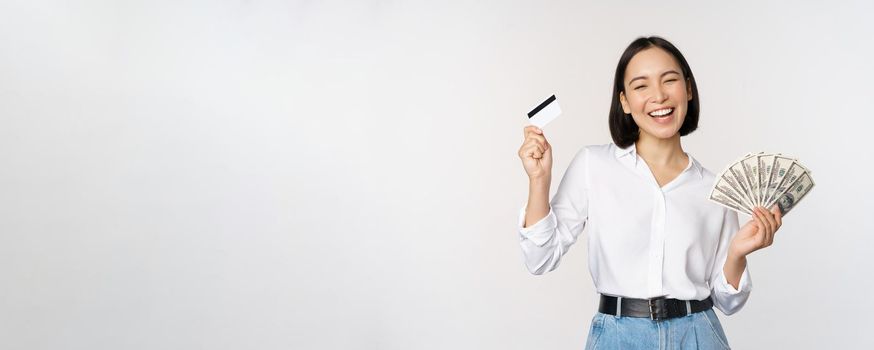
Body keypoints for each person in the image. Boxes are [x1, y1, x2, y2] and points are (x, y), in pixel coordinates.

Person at [516, 36, 783, 349]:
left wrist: (737, 252)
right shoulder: (593, 164)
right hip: (618, 337)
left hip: (698, 335)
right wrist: (539, 180)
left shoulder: (715, 189)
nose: (658, 95)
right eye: (641, 86)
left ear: (688, 89)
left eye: (669, 80)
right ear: (625, 102)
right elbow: (540, 258)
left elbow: (728, 302)